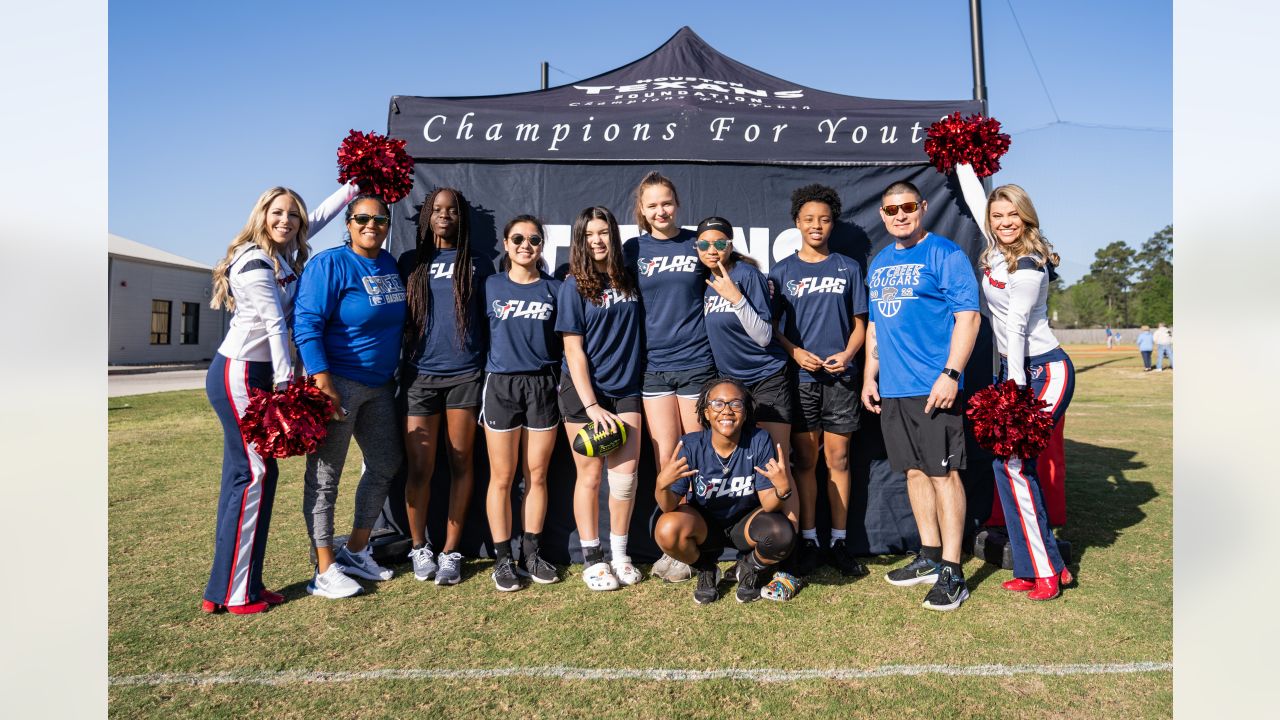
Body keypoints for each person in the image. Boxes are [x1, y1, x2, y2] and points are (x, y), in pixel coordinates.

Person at [201, 182, 356, 614]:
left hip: (260, 372)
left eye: (292, 214)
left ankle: (232, 586)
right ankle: (234, 592)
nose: (285, 220)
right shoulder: (254, 261)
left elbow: (319, 216)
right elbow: (273, 327)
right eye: (277, 213)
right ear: (260, 215)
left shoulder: (282, 252)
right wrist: (288, 389)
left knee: (250, 477)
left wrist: (353, 185)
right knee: (253, 476)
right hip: (244, 373)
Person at [861, 179, 980, 612]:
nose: (900, 215)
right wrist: (869, 377)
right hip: (893, 388)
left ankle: (953, 570)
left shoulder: (945, 254)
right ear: (882, 214)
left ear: (923, 206)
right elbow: (877, 326)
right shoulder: (879, 263)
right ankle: (929, 555)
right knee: (913, 472)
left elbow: (969, 318)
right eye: (891, 209)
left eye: (907, 207)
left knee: (943, 474)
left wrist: (951, 373)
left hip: (934, 387)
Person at [959, 172, 1077, 600]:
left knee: (1013, 466)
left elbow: (1019, 332)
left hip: (1042, 371)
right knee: (1006, 467)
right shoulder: (996, 250)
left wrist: (1012, 391)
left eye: (1014, 214)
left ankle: (1046, 571)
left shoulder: (1027, 265)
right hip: (1019, 371)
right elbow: (978, 201)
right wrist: (962, 160)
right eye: (998, 214)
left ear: (1027, 219)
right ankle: (1039, 566)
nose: (1005, 221)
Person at [293, 194, 408, 599]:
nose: (371, 225)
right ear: (348, 222)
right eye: (362, 218)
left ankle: (357, 550)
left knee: (385, 463)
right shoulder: (329, 264)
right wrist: (322, 380)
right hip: (338, 384)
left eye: (379, 218)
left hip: (380, 386)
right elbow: (305, 323)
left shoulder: (389, 264)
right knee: (326, 479)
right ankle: (324, 569)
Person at [768, 184, 869, 578]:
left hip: (841, 378)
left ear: (833, 224)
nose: (817, 226)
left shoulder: (848, 267)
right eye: (809, 219)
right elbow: (771, 328)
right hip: (801, 380)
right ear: (797, 223)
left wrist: (846, 355)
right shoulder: (782, 272)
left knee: (839, 459)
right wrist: (794, 351)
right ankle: (809, 539)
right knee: (806, 460)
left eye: (824, 220)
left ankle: (839, 541)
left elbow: (862, 323)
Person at [622, 172, 715, 584]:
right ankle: (671, 543)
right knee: (666, 461)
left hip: (697, 361)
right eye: (652, 205)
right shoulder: (632, 249)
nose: (661, 211)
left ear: (677, 203)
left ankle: (695, 546)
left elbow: (733, 274)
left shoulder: (698, 241)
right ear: (642, 210)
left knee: (696, 457)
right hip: (654, 366)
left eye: (667, 203)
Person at [399, 187, 491, 586]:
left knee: (460, 463)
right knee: (420, 466)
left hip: (465, 376)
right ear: (426, 215)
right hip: (420, 377)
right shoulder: (410, 262)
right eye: (437, 209)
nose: (444, 215)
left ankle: (451, 552)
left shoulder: (477, 263)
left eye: (452, 210)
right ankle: (420, 546)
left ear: (461, 217)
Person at [556, 206, 646, 591]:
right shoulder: (573, 285)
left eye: (603, 232)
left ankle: (620, 555)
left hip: (625, 390)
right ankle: (592, 558)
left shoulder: (630, 278)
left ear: (614, 235)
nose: (597, 240)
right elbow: (573, 351)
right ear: (580, 239)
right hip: (583, 395)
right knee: (590, 476)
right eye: (589, 233)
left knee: (624, 479)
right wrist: (592, 406)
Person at [653, 378, 796, 604]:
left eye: (735, 404)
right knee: (667, 528)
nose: (726, 410)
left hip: (745, 523)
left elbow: (769, 505)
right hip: (705, 524)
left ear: (746, 412)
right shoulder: (690, 444)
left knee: (781, 533)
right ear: (706, 412)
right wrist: (662, 484)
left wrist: (782, 490)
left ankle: (748, 567)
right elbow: (668, 506)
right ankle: (706, 569)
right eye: (718, 404)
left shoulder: (758, 440)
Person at [481, 215, 563, 591]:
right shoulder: (491, 286)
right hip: (501, 386)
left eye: (533, 239)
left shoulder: (555, 289)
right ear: (506, 243)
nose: (525, 245)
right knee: (501, 477)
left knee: (538, 475)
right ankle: (502, 559)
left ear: (541, 246)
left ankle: (530, 553)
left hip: (542, 387)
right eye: (518, 238)